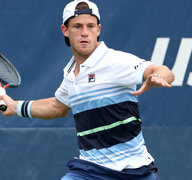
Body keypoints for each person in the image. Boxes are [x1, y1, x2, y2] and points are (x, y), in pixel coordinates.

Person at [0, 0, 175, 179]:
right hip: (90, 171)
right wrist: (15, 107)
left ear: (98, 30)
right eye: (77, 26)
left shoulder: (115, 61)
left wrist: (159, 76)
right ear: (65, 30)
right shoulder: (70, 74)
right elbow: (57, 107)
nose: (85, 33)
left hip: (135, 171)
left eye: (90, 26)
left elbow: (161, 71)